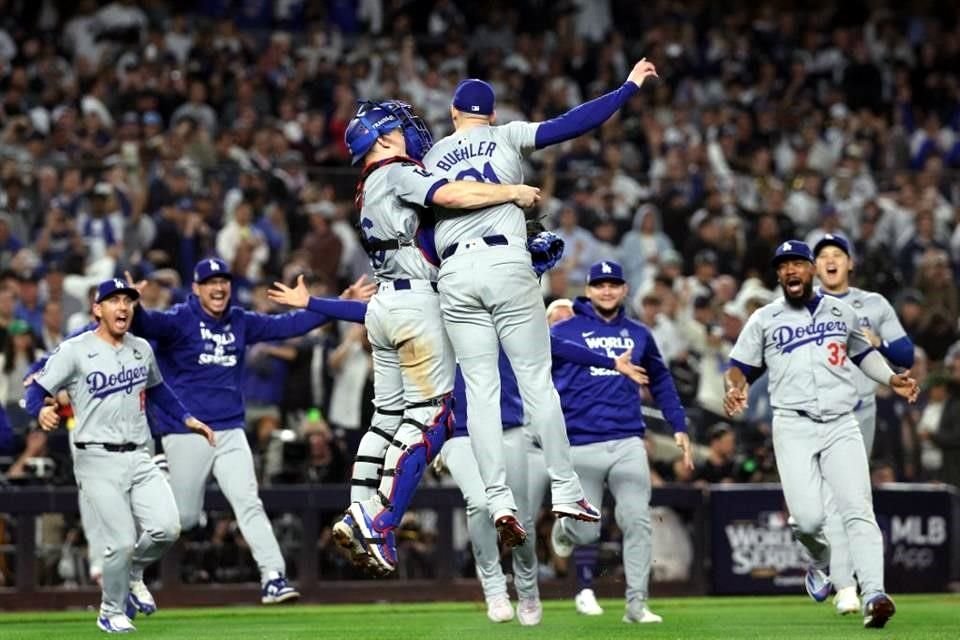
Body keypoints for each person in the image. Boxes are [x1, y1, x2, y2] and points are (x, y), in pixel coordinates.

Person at [270, 98, 540, 575]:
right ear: (380, 137)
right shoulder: (394, 170)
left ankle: (358, 509)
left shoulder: (367, 185)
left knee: (387, 418)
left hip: (384, 307)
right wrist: (512, 193)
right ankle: (378, 519)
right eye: (398, 127)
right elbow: (451, 196)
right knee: (432, 421)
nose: (409, 132)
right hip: (416, 305)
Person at [421, 58, 661, 544]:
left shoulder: (430, 159)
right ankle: (567, 489)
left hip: (454, 272)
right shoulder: (507, 135)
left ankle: (497, 497)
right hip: (507, 264)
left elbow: (424, 234)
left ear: (453, 113)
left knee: (482, 392)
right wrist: (627, 88)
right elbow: (575, 122)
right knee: (536, 384)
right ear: (489, 114)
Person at [124, 258, 360, 603]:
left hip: (230, 429)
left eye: (224, 281)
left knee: (248, 502)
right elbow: (145, 324)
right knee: (183, 520)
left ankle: (273, 577)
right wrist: (133, 302)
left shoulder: (240, 320)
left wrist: (338, 303)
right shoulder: (180, 320)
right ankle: (132, 561)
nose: (218, 288)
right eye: (210, 282)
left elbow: (290, 326)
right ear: (196, 288)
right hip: (186, 429)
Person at [723, 240, 919, 630]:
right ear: (778, 275)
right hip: (793, 424)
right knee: (809, 521)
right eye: (784, 266)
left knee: (858, 508)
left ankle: (875, 594)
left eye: (798, 263)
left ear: (810, 270)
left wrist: (891, 378)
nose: (791, 270)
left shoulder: (841, 311)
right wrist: (735, 386)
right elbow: (738, 364)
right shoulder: (764, 318)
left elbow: (863, 353)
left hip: (841, 421)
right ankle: (819, 563)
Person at [438, 296, 648, 626]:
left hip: (509, 429)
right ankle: (494, 587)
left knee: (521, 518)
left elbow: (559, 346)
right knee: (479, 504)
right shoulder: (445, 326)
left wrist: (611, 363)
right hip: (461, 434)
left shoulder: (508, 328)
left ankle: (527, 589)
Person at [24, 278, 214, 633]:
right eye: (113, 301)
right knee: (122, 540)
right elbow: (36, 387)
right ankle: (111, 610)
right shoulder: (75, 349)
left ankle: (134, 572)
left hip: (139, 454)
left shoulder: (141, 348)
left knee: (167, 528)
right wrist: (40, 412)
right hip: (96, 458)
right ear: (97, 309)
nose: (123, 307)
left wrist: (188, 418)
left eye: (127, 300)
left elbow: (159, 391)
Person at [546, 260, 692, 624]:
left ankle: (636, 605)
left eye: (614, 284)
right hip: (579, 443)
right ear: (589, 291)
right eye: (600, 285)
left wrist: (678, 424)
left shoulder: (640, 334)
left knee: (637, 520)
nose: (607, 291)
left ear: (625, 289)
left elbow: (660, 380)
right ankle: (565, 528)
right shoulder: (564, 330)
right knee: (586, 529)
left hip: (627, 440)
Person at [812, 233, 915, 614]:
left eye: (838, 254)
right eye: (823, 256)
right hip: (819, 411)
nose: (831, 260)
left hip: (862, 409)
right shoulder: (807, 305)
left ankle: (846, 584)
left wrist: (878, 344)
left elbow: (907, 354)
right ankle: (834, 574)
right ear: (814, 267)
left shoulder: (872, 303)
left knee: (852, 499)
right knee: (822, 506)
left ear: (850, 263)